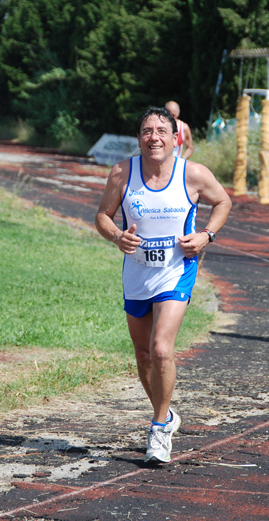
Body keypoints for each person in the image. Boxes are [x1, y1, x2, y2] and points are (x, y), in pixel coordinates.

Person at [95, 105, 231, 463]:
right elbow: (102, 216)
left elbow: (223, 201)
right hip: (136, 272)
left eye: (161, 131)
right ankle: (168, 415)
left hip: (177, 270)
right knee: (143, 358)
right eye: (146, 131)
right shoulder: (122, 173)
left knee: (160, 349)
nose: (153, 137)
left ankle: (158, 430)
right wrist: (116, 237)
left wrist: (206, 236)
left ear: (175, 138)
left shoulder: (194, 174)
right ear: (139, 138)